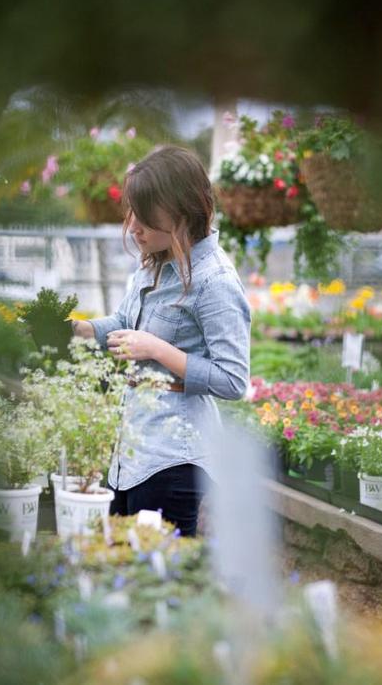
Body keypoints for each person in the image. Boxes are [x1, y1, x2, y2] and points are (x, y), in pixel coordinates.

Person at [73, 145, 251, 535]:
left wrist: (156, 349)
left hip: (174, 459)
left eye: (146, 216)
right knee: (124, 569)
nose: (134, 227)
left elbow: (233, 380)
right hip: (133, 449)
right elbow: (124, 321)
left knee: (160, 580)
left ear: (182, 212)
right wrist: (83, 330)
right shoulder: (155, 262)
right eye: (132, 212)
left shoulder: (215, 281)